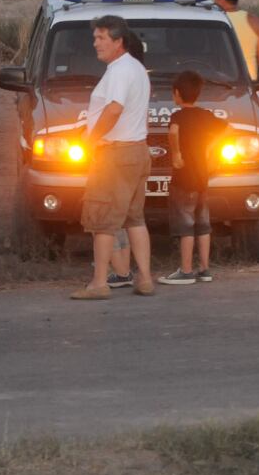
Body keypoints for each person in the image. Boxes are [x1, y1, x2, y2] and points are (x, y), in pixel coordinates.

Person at [71, 15, 154, 300]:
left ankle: (99, 283)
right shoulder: (136, 68)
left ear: (118, 42)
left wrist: (90, 138)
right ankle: (144, 277)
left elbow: (114, 109)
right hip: (137, 150)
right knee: (135, 218)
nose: (95, 43)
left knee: (102, 218)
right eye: (95, 37)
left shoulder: (119, 71)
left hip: (115, 153)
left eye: (101, 38)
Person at [159, 71, 227, 285]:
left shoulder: (177, 117)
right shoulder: (205, 115)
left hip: (183, 179)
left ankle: (186, 270)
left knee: (185, 225)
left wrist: (177, 154)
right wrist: (212, 150)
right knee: (203, 224)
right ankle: (205, 269)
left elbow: (173, 133)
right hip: (202, 178)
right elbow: (226, 128)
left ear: (177, 94)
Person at [214, 0, 259, 81]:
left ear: (221, 0)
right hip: (250, 84)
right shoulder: (253, 20)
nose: (214, 1)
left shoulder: (214, 20)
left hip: (219, 84)